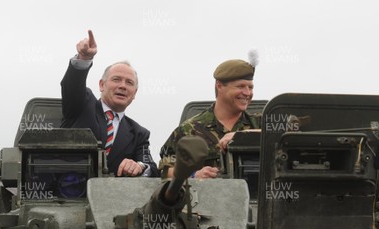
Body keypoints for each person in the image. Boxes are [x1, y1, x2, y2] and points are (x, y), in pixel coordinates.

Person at [60, 30, 158, 177]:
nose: (123, 86)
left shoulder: (139, 134)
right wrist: (83, 58)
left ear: (134, 93)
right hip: (68, 191)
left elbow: (151, 167)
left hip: (111, 197)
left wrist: (139, 166)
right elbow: (72, 87)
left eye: (129, 83)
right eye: (116, 79)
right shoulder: (83, 103)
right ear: (101, 85)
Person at [159, 58, 260, 178]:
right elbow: (164, 172)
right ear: (220, 86)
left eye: (250, 87)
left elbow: (283, 137)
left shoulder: (263, 123)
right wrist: (194, 175)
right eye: (241, 86)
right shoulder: (189, 129)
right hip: (209, 195)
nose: (247, 93)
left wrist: (244, 136)